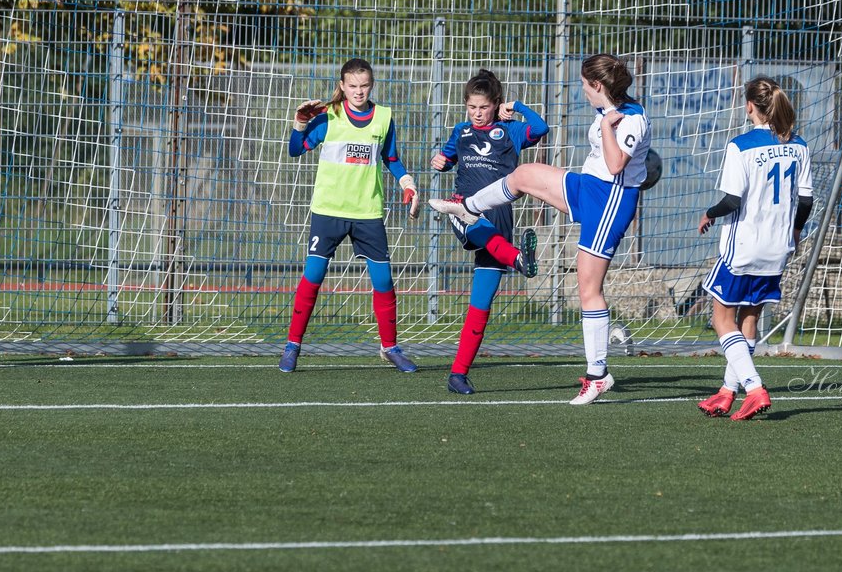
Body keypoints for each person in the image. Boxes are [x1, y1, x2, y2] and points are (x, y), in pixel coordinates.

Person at [430, 53, 650, 404]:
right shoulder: (608, 111)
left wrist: (609, 124)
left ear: (597, 85)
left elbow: (616, 163)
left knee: (588, 289)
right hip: (588, 188)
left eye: (584, 85)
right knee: (523, 175)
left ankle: (597, 374)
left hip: (609, 202)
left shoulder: (630, 118)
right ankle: (468, 208)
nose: (582, 91)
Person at [279, 57, 421, 373]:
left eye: (364, 85)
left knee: (383, 280)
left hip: (367, 212)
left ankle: (390, 348)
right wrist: (300, 123)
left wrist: (408, 184)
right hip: (328, 210)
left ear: (372, 85)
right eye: (353, 86)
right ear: (342, 86)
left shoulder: (383, 117)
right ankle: (292, 346)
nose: (359, 91)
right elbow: (295, 149)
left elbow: (392, 159)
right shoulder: (328, 116)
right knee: (313, 277)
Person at [695, 77, 813, 421]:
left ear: (750, 106)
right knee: (750, 317)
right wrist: (795, 229)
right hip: (779, 246)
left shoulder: (741, 146)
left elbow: (733, 199)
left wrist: (709, 213)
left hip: (744, 246)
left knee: (721, 317)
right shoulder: (799, 145)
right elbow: (805, 199)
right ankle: (727, 392)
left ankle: (754, 387)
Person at [431, 69, 548, 395]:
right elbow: (448, 158)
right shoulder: (461, 131)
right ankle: (519, 260)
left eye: (483, 107)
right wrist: (441, 160)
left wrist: (518, 106)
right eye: (472, 107)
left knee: (480, 305)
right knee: (466, 217)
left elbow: (541, 128)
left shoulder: (509, 131)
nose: (477, 113)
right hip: (463, 207)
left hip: (499, 217)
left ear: (495, 105)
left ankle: (458, 374)